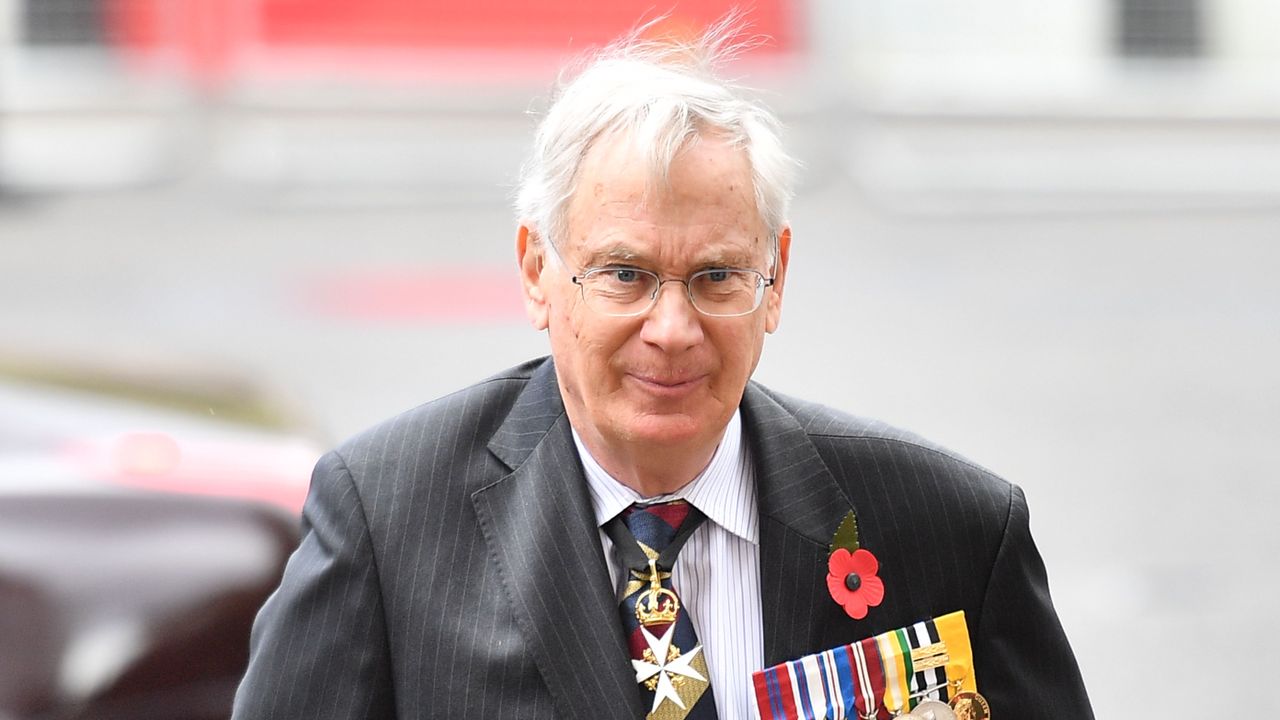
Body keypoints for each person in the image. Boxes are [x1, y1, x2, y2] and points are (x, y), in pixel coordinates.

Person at [232, 20, 1093, 720]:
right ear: (539, 273)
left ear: (776, 279)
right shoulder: (388, 522)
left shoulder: (950, 532)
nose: (673, 329)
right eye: (625, 275)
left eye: (717, 276)